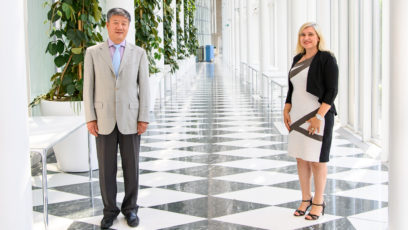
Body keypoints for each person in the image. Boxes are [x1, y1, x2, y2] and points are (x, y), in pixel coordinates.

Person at [83, 8, 150, 229]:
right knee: (106, 168)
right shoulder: (93, 52)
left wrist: (143, 117)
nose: (119, 27)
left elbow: (145, 88)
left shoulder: (139, 53)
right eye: (115, 22)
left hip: (131, 118)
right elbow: (88, 88)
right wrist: (90, 118)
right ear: (107, 25)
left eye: (124, 23)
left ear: (128, 26)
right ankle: (109, 211)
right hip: (103, 118)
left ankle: (130, 209)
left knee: (132, 167)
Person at [283, 22, 338, 220]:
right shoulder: (297, 58)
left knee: (317, 161)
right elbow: (292, 87)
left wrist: (319, 117)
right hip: (298, 115)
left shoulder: (326, 58)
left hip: (318, 115)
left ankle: (318, 201)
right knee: (301, 157)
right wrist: (287, 107)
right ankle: (305, 199)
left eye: (310, 34)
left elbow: (332, 91)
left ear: (318, 37)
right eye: (302, 34)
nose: (306, 38)